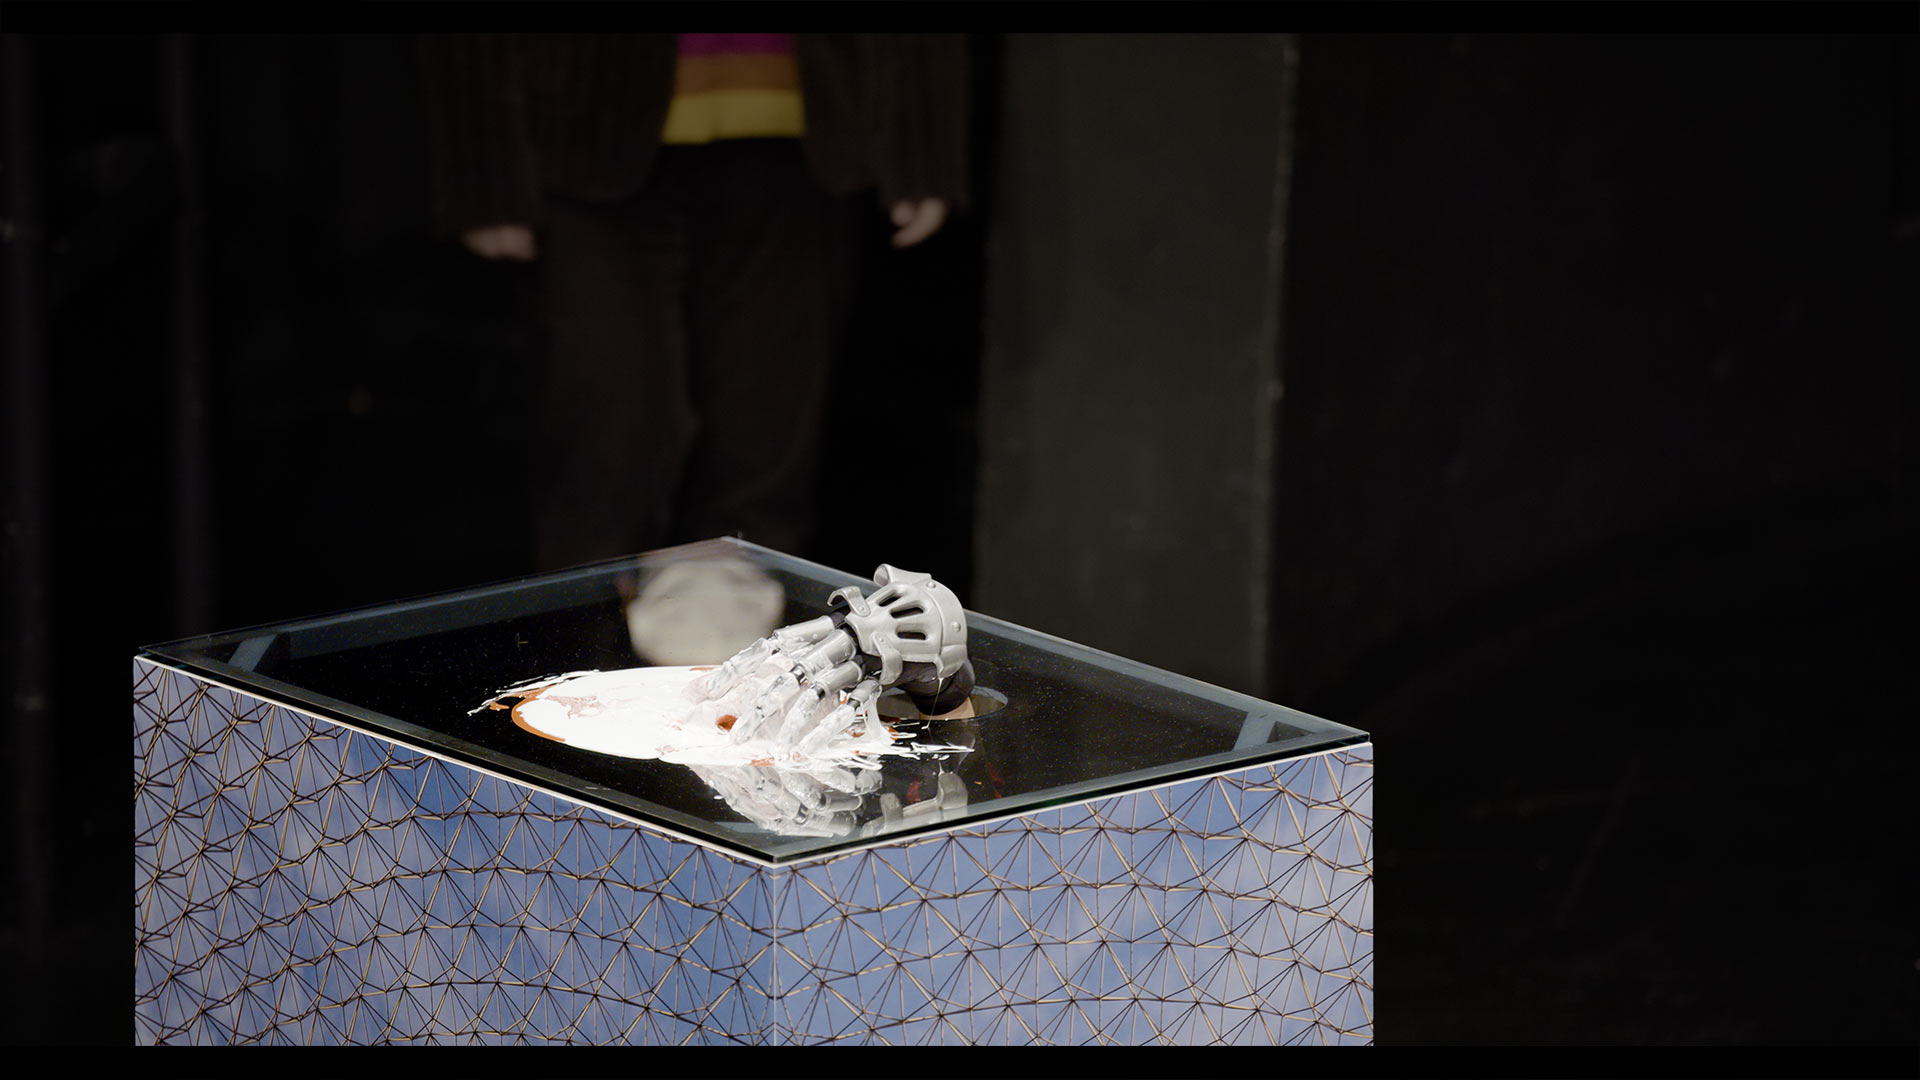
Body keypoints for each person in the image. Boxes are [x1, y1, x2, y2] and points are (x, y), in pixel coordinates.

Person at [417, 33, 970, 575]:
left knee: (765, 458)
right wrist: (479, 154)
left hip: (801, 128)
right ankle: (586, 636)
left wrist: (922, 124)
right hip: (581, 117)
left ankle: (748, 637)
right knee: (606, 453)